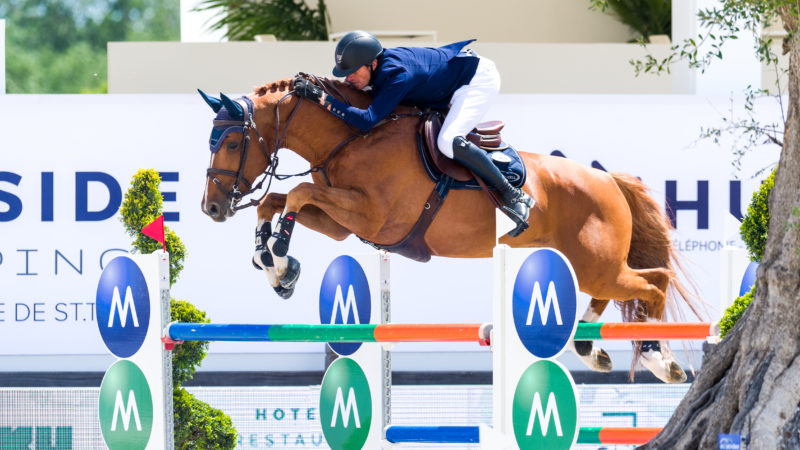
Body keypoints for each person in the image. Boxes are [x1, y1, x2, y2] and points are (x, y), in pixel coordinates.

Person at [294, 30, 533, 234]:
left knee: (448, 141)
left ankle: (512, 195)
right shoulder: (379, 69)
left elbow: (366, 121)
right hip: (448, 79)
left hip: (475, 81)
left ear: (373, 64)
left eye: (354, 71)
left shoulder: (398, 75)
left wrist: (321, 98)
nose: (349, 77)